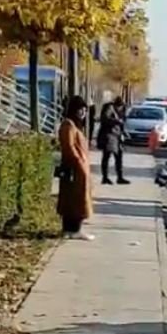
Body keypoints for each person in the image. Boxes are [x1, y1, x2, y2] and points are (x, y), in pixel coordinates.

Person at [57, 95, 94, 240]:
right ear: (73, 109)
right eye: (80, 109)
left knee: (77, 199)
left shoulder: (75, 126)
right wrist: (78, 162)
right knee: (75, 199)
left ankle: (72, 229)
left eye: (85, 110)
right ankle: (72, 230)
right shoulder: (68, 126)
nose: (83, 113)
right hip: (74, 168)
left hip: (80, 168)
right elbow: (69, 146)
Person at [97, 98, 129, 185]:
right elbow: (105, 118)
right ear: (117, 105)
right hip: (109, 135)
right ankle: (105, 177)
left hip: (116, 136)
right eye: (120, 107)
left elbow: (122, 123)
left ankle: (120, 177)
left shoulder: (121, 110)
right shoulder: (109, 108)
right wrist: (116, 121)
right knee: (107, 156)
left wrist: (124, 133)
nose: (121, 109)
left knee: (119, 157)